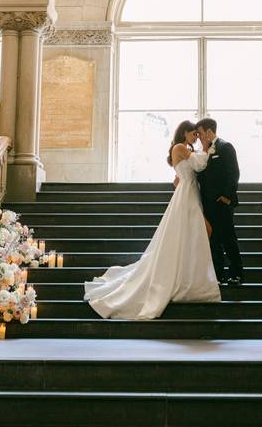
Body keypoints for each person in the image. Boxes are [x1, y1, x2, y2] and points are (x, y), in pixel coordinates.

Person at [84, 120, 221, 319]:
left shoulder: (184, 148)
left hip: (188, 192)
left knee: (189, 235)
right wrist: (208, 148)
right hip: (186, 195)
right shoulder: (181, 147)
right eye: (194, 134)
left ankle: (189, 276)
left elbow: (183, 174)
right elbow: (199, 165)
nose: (196, 137)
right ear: (185, 133)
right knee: (187, 232)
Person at [195, 118, 244, 286]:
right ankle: (218, 275)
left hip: (222, 202)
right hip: (208, 203)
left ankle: (236, 274)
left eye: (200, 134)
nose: (199, 137)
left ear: (209, 132)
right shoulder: (204, 151)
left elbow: (234, 173)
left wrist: (227, 197)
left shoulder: (225, 147)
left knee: (228, 238)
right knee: (214, 240)